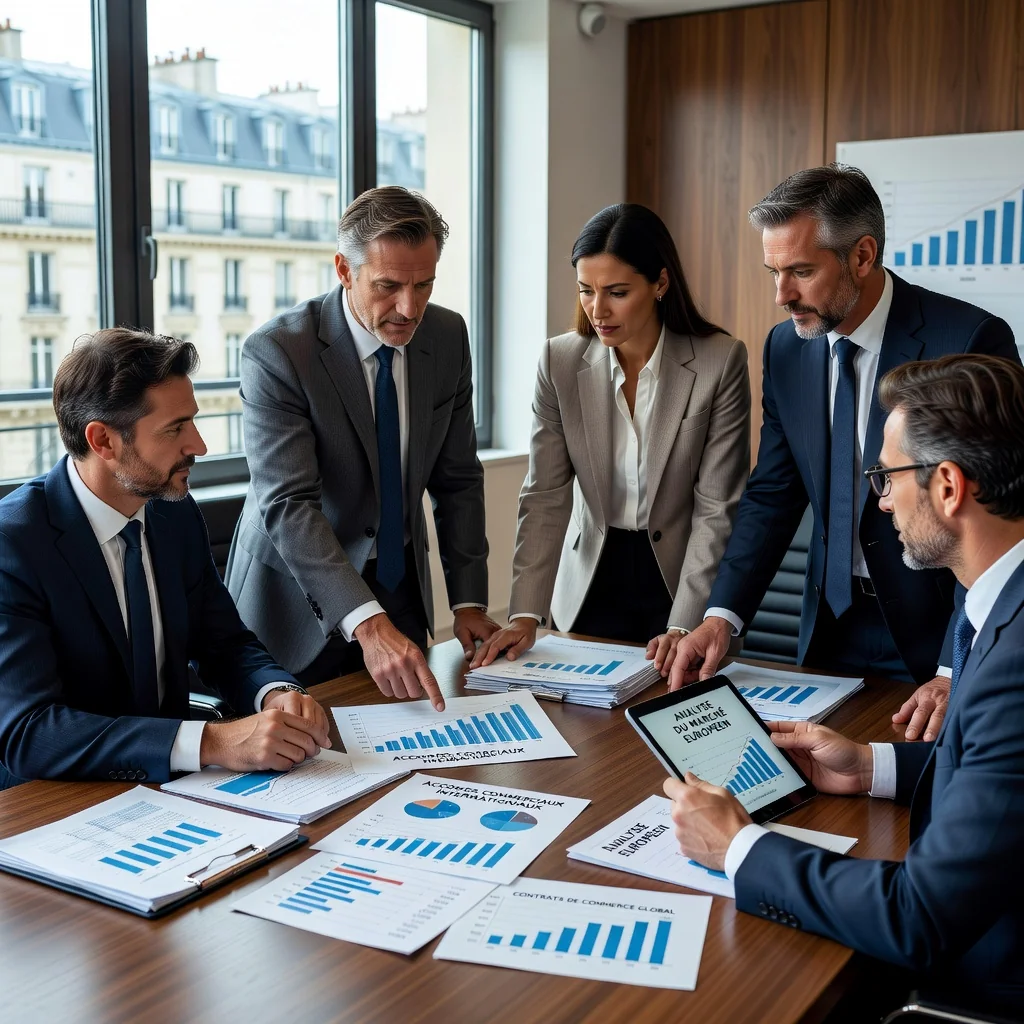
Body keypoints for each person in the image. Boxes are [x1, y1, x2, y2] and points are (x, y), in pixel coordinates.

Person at [664, 353, 1024, 1014]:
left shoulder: (1016, 659)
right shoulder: (1002, 603)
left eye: (885, 477)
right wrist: (868, 767)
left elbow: (917, 917)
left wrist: (739, 846)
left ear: (948, 487)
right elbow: (998, 780)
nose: (879, 499)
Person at [665, 163, 1020, 742]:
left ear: (862, 255)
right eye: (773, 272)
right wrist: (721, 617)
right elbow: (773, 493)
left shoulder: (970, 339)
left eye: (801, 271)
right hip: (827, 630)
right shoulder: (787, 347)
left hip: (936, 636)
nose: (781, 296)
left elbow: (996, 514)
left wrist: (959, 663)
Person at [0, 328, 331, 788]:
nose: (198, 445)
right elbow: (29, 734)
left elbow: (225, 643)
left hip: (174, 790)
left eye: (192, 421)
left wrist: (275, 693)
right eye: (175, 428)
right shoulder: (12, 543)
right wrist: (211, 743)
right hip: (55, 802)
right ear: (103, 441)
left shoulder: (172, 513)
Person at [226, 187, 497, 708]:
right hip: (295, 602)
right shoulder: (279, 351)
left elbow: (458, 478)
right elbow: (288, 504)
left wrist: (467, 601)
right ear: (344, 270)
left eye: (424, 285)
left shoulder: (447, 335)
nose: (409, 307)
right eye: (388, 285)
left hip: (400, 588)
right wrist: (369, 625)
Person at [472, 203, 749, 668]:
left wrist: (685, 623)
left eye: (617, 292)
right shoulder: (560, 361)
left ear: (660, 283)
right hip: (589, 581)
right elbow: (544, 495)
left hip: (683, 583)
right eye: (585, 291)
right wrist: (524, 614)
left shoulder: (719, 361)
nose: (597, 310)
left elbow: (718, 507)